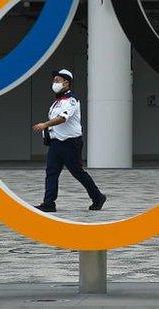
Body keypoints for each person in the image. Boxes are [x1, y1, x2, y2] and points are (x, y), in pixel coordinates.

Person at [32, 69, 107, 212]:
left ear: (66, 83)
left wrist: (45, 125)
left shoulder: (71, 100)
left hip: (70, 143)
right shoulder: (57, 102)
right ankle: (49, 203)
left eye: (57, 80)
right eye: (54, 80)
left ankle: (98, 197)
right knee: (51, 172)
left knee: (77, 172)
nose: (54, 83)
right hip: (56, 143)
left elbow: (62, 118)